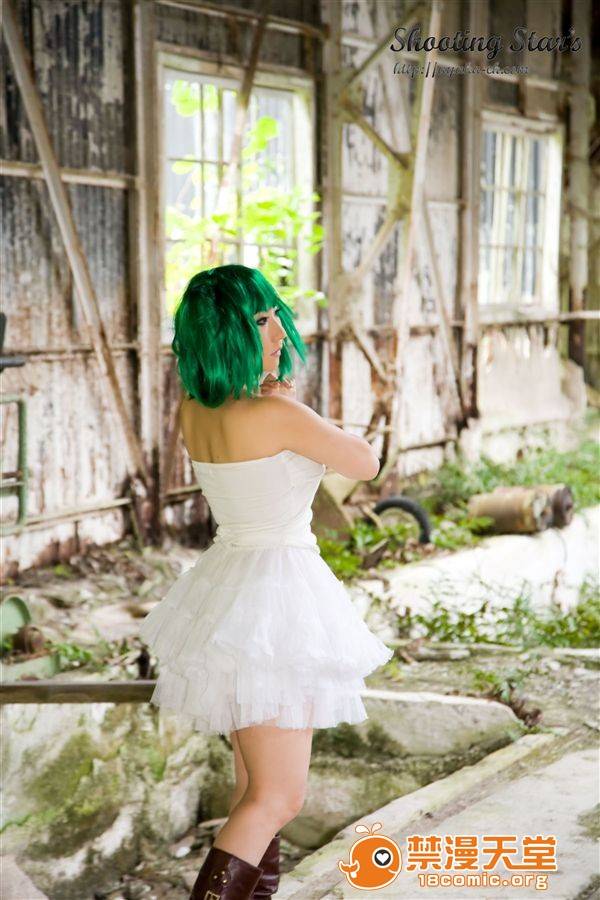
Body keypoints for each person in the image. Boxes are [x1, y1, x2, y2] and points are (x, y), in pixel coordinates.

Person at [139, 264, 393, 899]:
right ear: (227, 332)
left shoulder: (193, 410)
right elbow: (365, 462)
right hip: (278, 594)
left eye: (276, 314)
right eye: (260, 320)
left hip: (229, 587)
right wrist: (289, 405)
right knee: (278, 797)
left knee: (254, 789)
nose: (278, 330)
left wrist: (277, 400)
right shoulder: (277, 412)